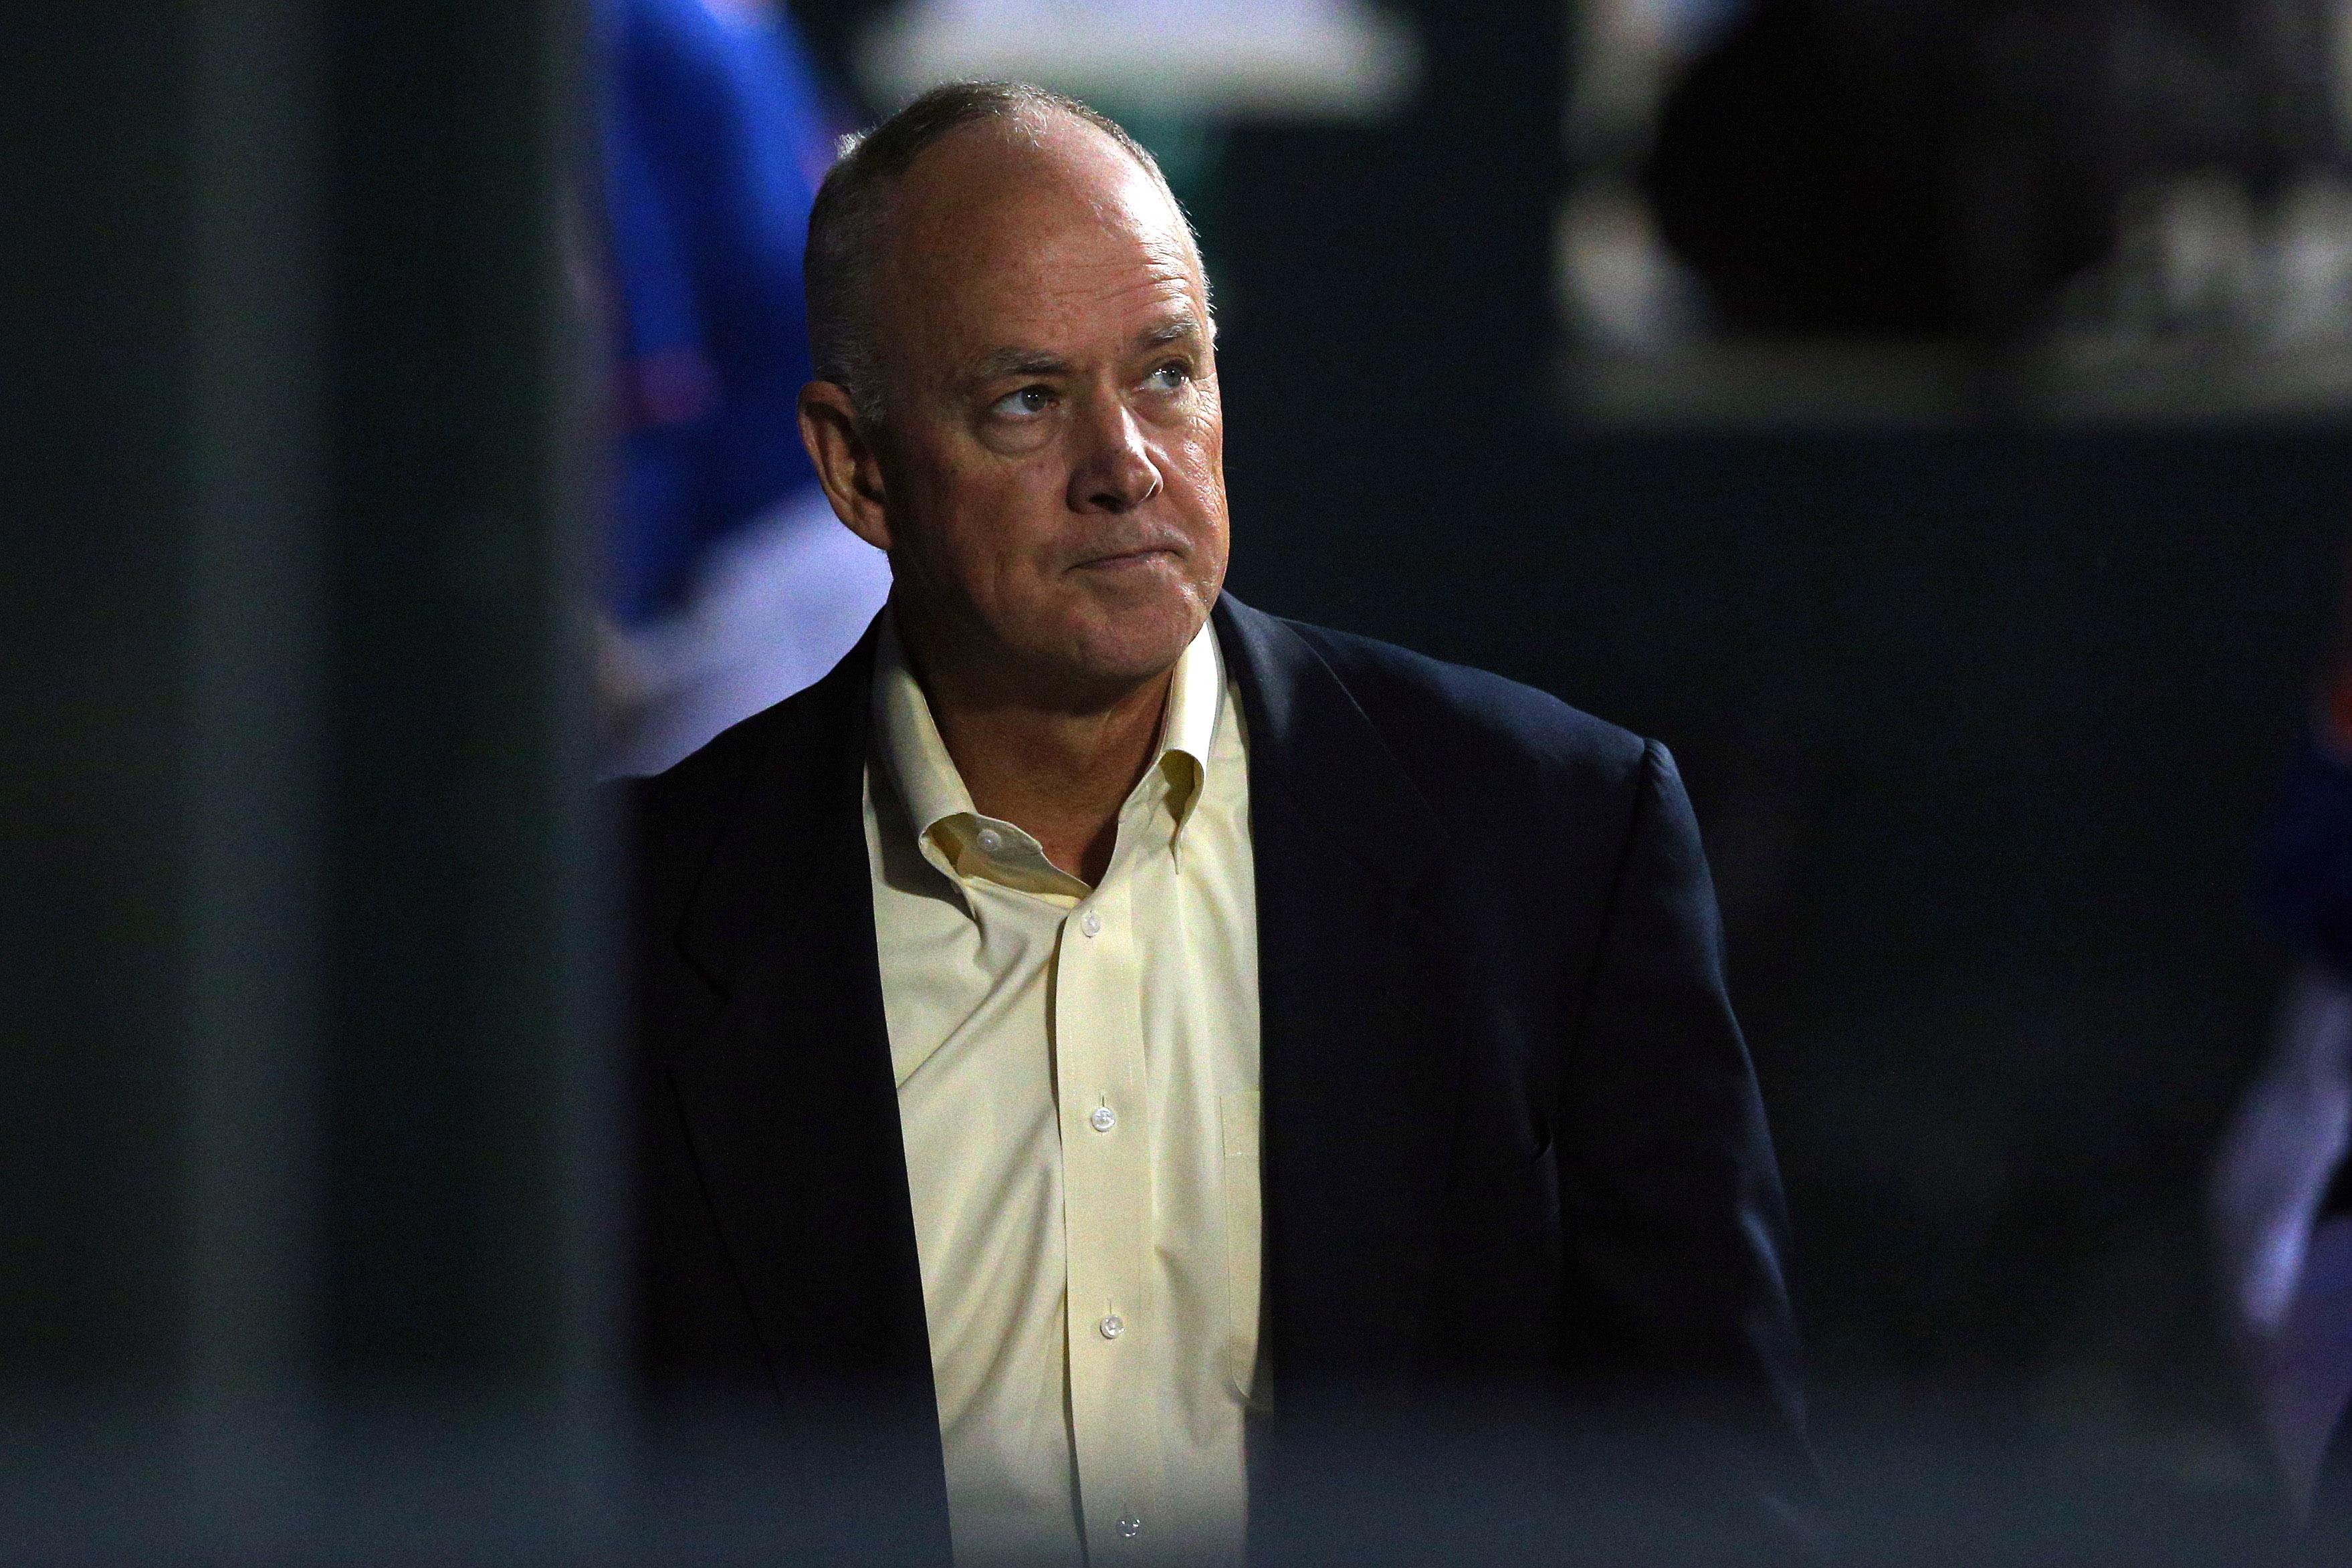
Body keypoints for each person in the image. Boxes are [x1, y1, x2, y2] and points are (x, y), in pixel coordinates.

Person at [624, 82, 1814, 1566]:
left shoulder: (1557, 850)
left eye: (1169, 372)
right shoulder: (628, 927)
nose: (1127, 465)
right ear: (859, 470)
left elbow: (1707, 1493)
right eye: (1026, 400)